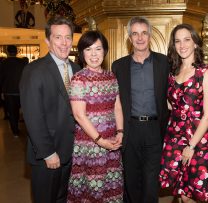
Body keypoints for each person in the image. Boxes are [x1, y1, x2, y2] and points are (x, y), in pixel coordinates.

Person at [19, 16, 81, 203]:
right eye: (58, 37)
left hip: (71, 152)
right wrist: (47, 152)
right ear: (47, 40)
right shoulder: (34, 70)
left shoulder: (77, 68)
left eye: (68, 37)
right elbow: (33, 116)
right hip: (48, 155)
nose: (64, 43)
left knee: (63, 198)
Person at [112, 16, 169, 203]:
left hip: (155, 129)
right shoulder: (118, 66)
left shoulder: (164, 63)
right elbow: (116, 102)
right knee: (131, 180)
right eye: (135, 33)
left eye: (144, 33)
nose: (140, 38)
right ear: (129, 38)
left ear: (150, 35)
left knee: (152, 182)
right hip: (131, 129)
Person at [159, 24, 208, 202]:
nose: (182, 45)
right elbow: (173, 105)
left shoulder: (206, 73)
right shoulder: (173, 73)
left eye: (187, 39)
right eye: (177, 41)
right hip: (174, 137)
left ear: (195, 43)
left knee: (194, 194)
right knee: (182, 194)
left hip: (196, 140)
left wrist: (191, 146)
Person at [67, 31, 124, 202]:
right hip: (90, 143)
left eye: (98, 49)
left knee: (110, 186)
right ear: (82, 53)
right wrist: (100, 141)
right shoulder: (79, 79)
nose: (93, 54)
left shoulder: (111, 76)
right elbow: (79, 115)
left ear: (105, 51)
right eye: (88, 49)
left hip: (112, 141)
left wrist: (120, 132)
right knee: (92, 189)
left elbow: (118, 106)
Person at [0, 45, 28, 136]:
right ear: (17, 52)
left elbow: (1, 79)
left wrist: (1, 92)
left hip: (8, 92)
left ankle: (15, 131)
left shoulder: (3, 63)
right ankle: (29, 130)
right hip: (22, 91)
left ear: (7, 52)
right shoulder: (22, 62)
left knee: (12, 112)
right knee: (26, 111)